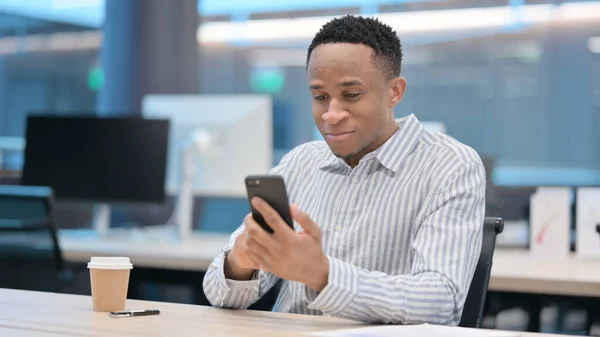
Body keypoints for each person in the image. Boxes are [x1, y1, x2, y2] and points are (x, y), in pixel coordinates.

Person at [202, 15, 486, 325]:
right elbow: (219, 292)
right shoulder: (300, 162)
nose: (332, 115)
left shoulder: (450, 166)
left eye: (351, 95)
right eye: (320, 97)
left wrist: (323, 275)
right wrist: (241, 262)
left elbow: (440, 303)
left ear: (395, 92)